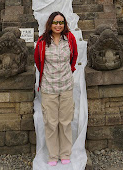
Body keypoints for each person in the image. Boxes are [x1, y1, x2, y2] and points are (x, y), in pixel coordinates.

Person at [34, 11, 78, 166]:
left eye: (61, 23)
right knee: (51, 122)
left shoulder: (70, 39)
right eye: (55, 22)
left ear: (64, 24)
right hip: (49, 86)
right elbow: (39, 63)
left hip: (66, 85)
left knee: (65, 122)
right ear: (50, 24)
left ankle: (65, 153)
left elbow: (74, 58)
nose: (58, 25)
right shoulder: (42, 42)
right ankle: (53, 155)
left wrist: (68, 71)